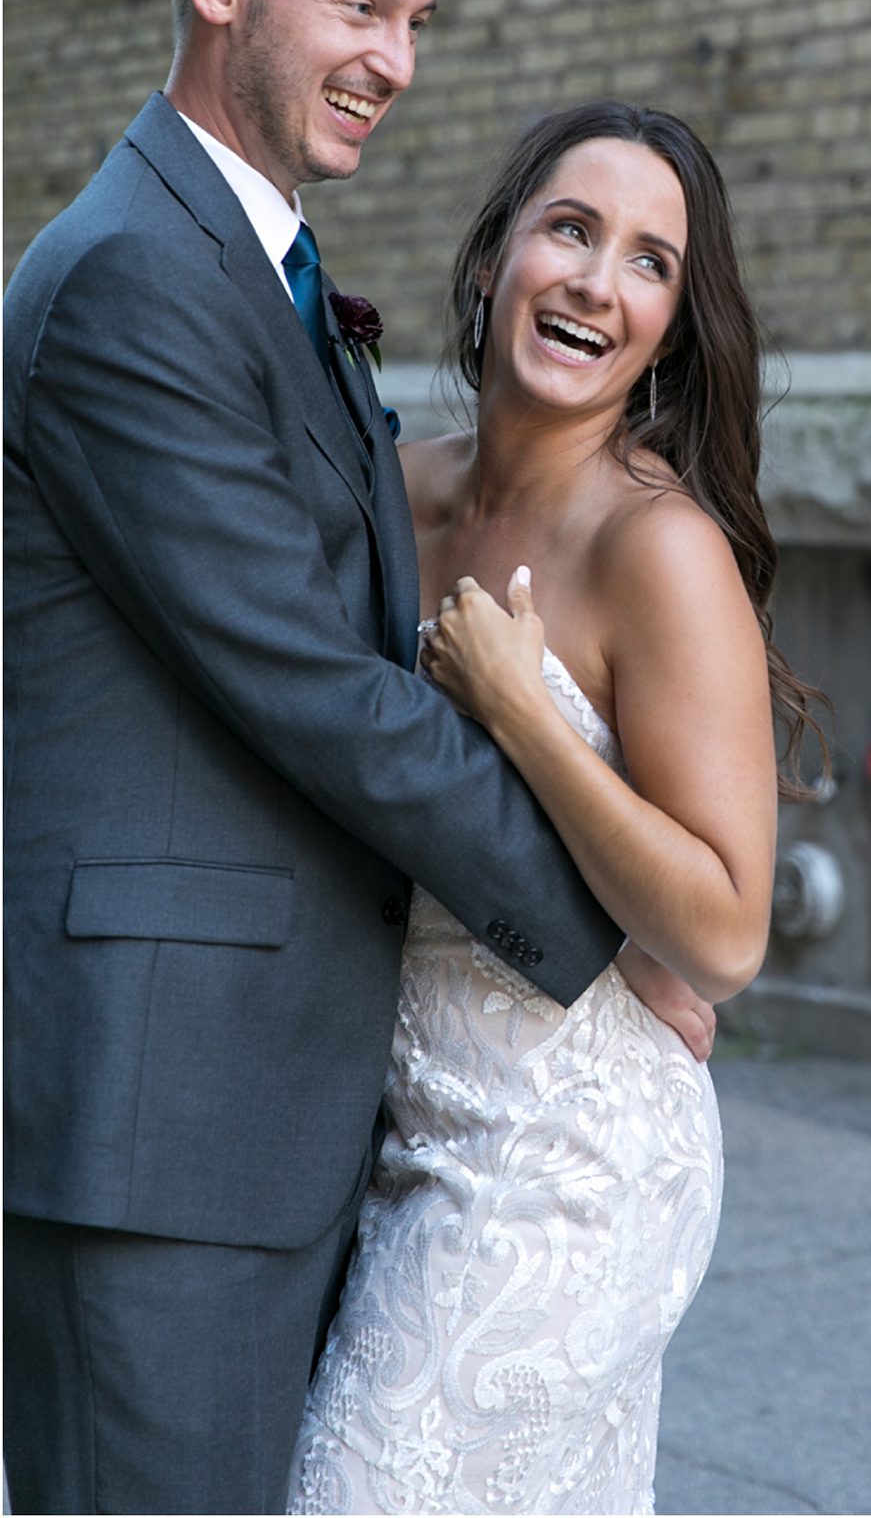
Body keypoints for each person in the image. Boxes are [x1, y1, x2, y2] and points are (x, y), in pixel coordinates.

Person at [3, 0, 708, 1518]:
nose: (393, 62)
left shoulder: (252, 262)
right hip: (164, 1131)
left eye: (417, 26)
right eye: (362, 7)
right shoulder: (134, 286)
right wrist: (606, 930)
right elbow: (319, 685)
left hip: (278, 1111)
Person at [287, 101, 829, 1515]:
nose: (598, 279)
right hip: (389, 1128)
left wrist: (527, 712)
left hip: (572, 1158)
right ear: (493, 263)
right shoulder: (387, 498)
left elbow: (721, 936)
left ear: (666, 330)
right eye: (571, 230)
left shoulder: (657, 547)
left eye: (651, 262)